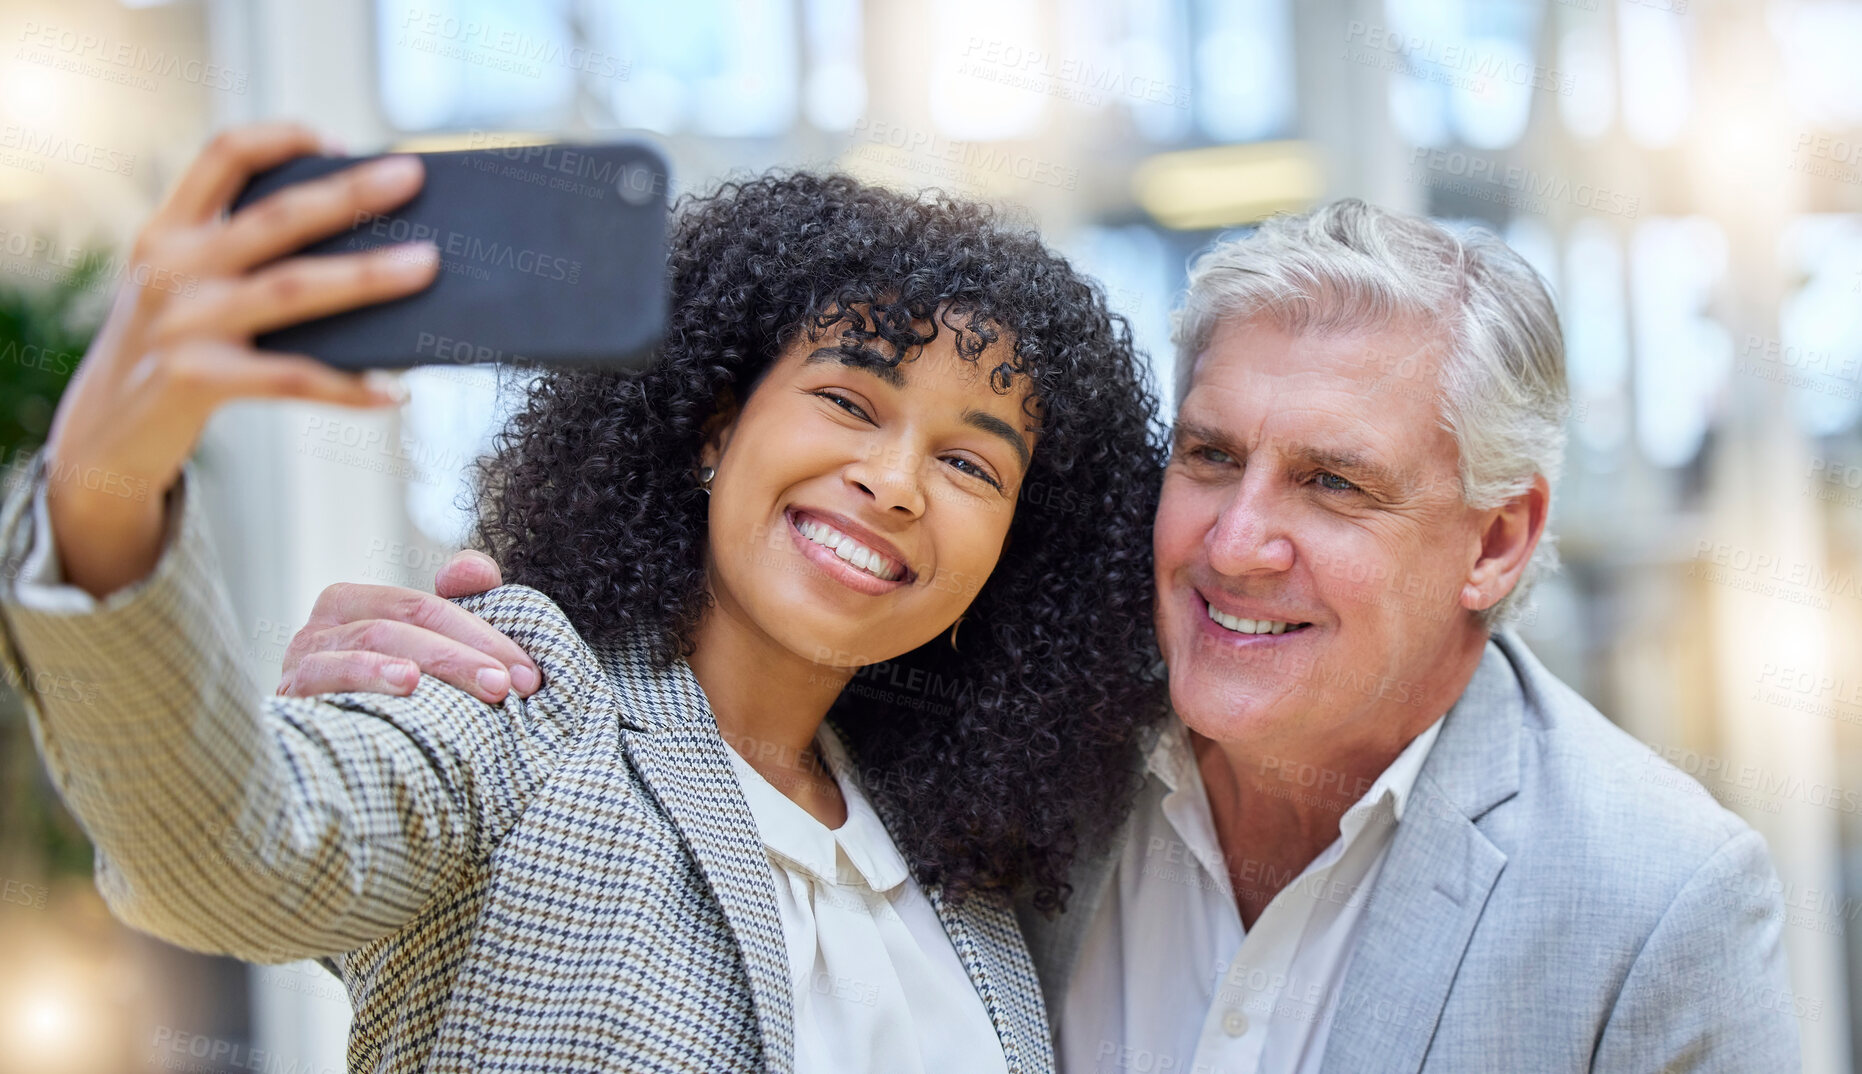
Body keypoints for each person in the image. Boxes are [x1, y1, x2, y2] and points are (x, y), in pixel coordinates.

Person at [317, 199, 1803, 1071]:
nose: (1235, 541)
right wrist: (385, 688)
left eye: (1332, 484)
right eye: (1210, 457)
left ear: (1495, 538)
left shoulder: (1657, 900)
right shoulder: (1000, 731)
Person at [0, 122, 1173, 1073]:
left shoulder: (960, 875)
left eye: (970, 464)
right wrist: (105, 488)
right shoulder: (524, 698)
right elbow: (228, 855)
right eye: (849, 402)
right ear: (716, 424)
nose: (893, 481)